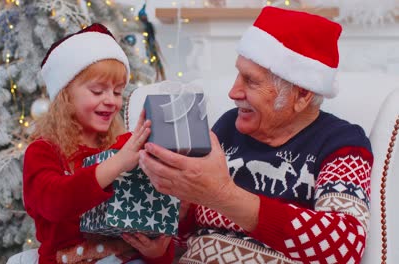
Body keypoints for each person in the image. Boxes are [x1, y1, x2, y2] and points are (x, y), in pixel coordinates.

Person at [139, 7, 373, 264]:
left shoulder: (342, 143)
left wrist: (222, 195)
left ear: (302, 95)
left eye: (250, 81)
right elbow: (188, 237)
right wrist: (180, 215)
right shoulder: (229, 126)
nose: (233, 92)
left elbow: (343, 246)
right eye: (238, 74)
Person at [23, 23, 173, 264]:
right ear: (65, 95)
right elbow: (55, 203)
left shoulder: (122, 145)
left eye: (116, 92)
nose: (111, 101)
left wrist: (157, 252)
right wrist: (117, 164)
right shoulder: (43, 151)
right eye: (97, 90)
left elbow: (153, 221)